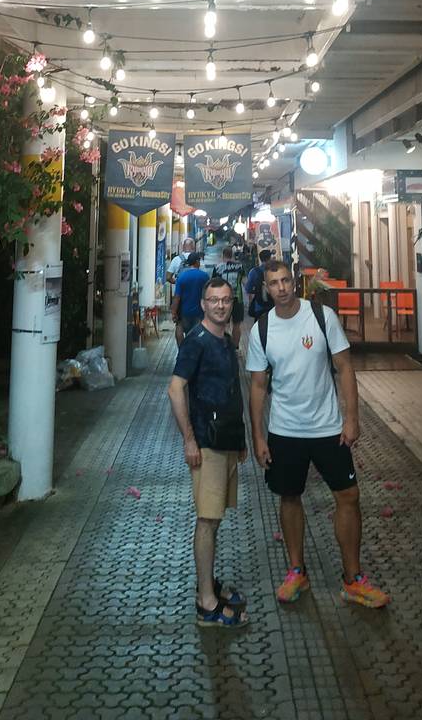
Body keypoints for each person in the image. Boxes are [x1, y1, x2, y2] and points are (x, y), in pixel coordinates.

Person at [246, 260, 390, 609]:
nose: (281, 288)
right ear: (266, 288)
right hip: (285, 430)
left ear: (294, 282)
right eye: (274, 283)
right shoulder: (262, 330)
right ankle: (297, 571)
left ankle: (353, 579)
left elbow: (344, 367)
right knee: (289, 497)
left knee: (349, 496)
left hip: (327, 428)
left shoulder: (322, 317)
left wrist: (351, 418)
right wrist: (259, 437)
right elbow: (258, 386)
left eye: (285, 280)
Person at [167, 277, 249, 628]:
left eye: (226, 300)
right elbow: (175, 389)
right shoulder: (196, 341)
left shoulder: (226, 342)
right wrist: (189, 439)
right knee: (207, 520)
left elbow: (231, 393)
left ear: (231, 304)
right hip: (207, 444)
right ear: (203, 304)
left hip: (226, 442)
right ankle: (206, 602)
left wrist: (241, 440)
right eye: (213, 300)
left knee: (214, 519)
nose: (220, 306)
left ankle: (208, 585)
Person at [170, 252, 209, 346]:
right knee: (198, 334)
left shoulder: (181, 277)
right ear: (197, 262)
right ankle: (195, 352)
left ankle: (182, 350)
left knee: (179, 327)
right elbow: (209, 295)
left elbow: (177, 297)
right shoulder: (205, 276)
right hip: (200, 312)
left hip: (184, 312)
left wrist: (174, 312)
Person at [213, 245, 246, 347]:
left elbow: (214, 284)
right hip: (238, 299)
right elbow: (245, 282)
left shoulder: (218, 267)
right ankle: (235, 347)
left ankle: (225, 346)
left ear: (223, 255)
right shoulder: (240, 266)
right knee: (237, 325)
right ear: (232, 255)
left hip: (223, 300)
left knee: (224, 324)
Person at [244, 249, 274, 320]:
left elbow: (248, 289)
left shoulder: (254, 271)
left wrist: (257, 290)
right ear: (270, 258)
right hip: (274, 306)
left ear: (260, 259)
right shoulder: (276, 270)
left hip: (259, 306)